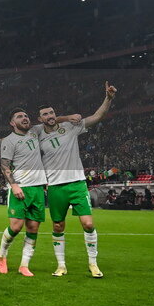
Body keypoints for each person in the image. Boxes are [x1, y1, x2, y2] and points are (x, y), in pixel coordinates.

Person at [34, 81, 116, 278]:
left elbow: (97, 117)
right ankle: (61, 265)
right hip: (55, 186)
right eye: (45, 114)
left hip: (77, 183)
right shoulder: (36, 133)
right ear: (40, 118)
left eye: (51, 112)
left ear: (55, 114)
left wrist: (108, 98)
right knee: (57, 226)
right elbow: (24, 128)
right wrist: (63, 116)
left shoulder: (70, 127)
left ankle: (93, 264)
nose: (49, 116)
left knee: (88, 224)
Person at [0, 108, 46, 277]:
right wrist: (14, 185)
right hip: (21, 187)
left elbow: (52, 120)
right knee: (16, 227)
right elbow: (5, 166)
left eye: (26, 115)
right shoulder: (9, 141)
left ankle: (24, 265)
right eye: (19, 116)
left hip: (38, 188)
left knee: (33, 228)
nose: (24, 118)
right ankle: (2, 255)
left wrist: (69, 117)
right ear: (12, 123)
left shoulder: (35, 132)